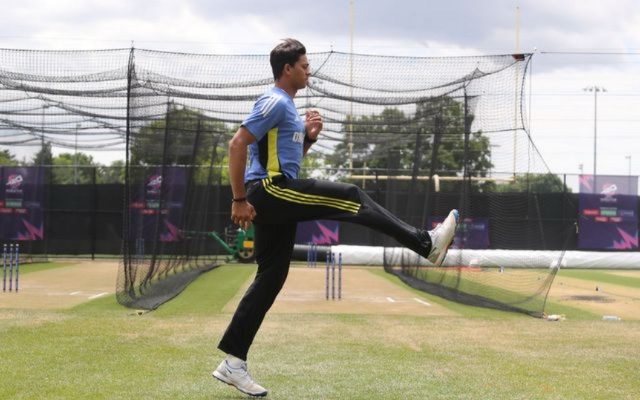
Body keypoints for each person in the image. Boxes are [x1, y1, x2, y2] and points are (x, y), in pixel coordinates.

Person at [212, 38, 458, 397]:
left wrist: (309, 139)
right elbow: (238, 144)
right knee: (351, 195)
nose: (308, 70)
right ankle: (426, 243)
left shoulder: (289, 110)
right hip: (268, 190)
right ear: (287, 69)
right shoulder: (274, 101)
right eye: (304, 65)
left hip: (278, 189)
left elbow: (284, 158)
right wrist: (238, 199)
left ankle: (233, 363)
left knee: (272, 275)